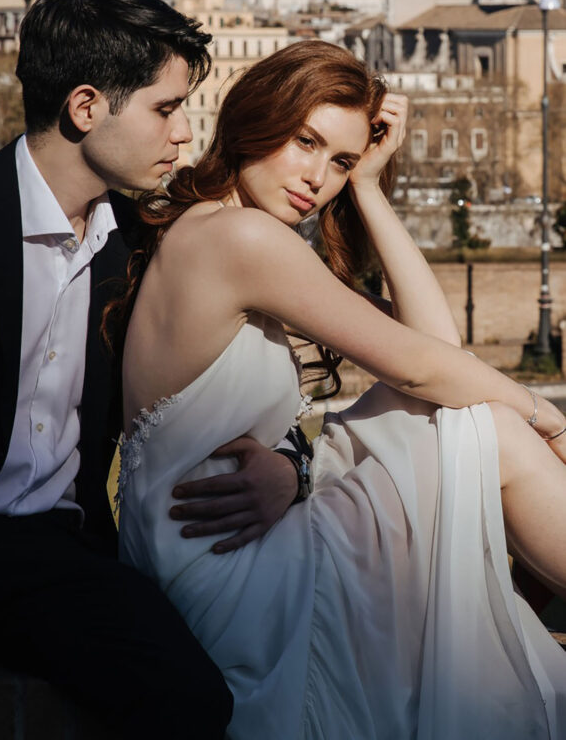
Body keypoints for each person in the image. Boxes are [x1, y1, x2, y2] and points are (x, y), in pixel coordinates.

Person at [0, 0, 303, 739]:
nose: (184, 135)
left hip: (59, 558)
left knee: (191, 702)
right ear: (85, 108)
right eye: (166, 109)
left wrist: (289, 465)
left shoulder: (149, 246)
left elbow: (251, 381)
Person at [114, 40, 566, 739]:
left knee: (469, 420)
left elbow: (433, 351)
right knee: (495, 430)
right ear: (253, 118)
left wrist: (369, 188)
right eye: (305, 142)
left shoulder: (216, 231)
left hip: (224, 552)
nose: (316, 178)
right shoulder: (240, 241)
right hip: (239, 583)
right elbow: (425, 367)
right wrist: (550, 418)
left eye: (340, 162)